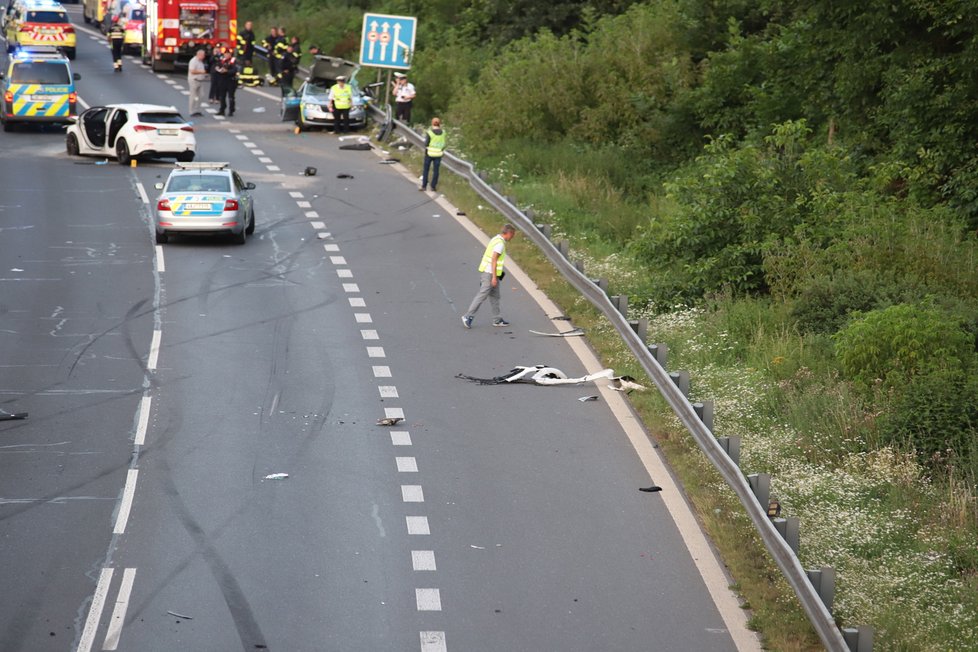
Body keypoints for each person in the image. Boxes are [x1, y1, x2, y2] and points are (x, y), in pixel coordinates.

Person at [461, 224, 517, 328]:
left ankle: (497, 319)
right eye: (512, 235)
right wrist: (494, 278)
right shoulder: (500, 244)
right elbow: (494, 260)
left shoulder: (495, 239)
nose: (512, 237)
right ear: (508, 233)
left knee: (495, 296)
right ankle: (467, 316)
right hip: (490, 274)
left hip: (489, 272)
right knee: (482, 295)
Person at [420, 117, 445, 191]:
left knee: (426, 170)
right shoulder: (443, 133)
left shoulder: (429, 132)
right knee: (436, 170)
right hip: (438, 154)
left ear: (432, 123)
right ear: (439, 124)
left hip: (429, 153)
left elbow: (426, 143)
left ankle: (424, 186)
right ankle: (433, 186)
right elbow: (444, 144)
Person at [215, 51, 236, 116]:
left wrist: (227, 71)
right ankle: (222, 110)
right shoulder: (221, 61)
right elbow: (216, 66)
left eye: (228, 54)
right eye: (225, 54)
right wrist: (218, 69)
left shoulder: (233, 61)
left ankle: (231, 110)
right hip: (222, 81)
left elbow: (235, 70)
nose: (226, 55)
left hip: (231, 81)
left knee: (231, 97)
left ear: (230, 54)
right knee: (222, 97)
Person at [187, 49, 208, 116]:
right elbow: (192, 71)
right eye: (203, 55)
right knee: (193, 96)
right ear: (199, 54)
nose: (204, 56)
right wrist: (201, 72)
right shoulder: (193, 61)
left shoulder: (200, 61)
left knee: (201, 96)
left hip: (200, 81)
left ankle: (197, 110)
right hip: (194, 80)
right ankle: (191, 111)